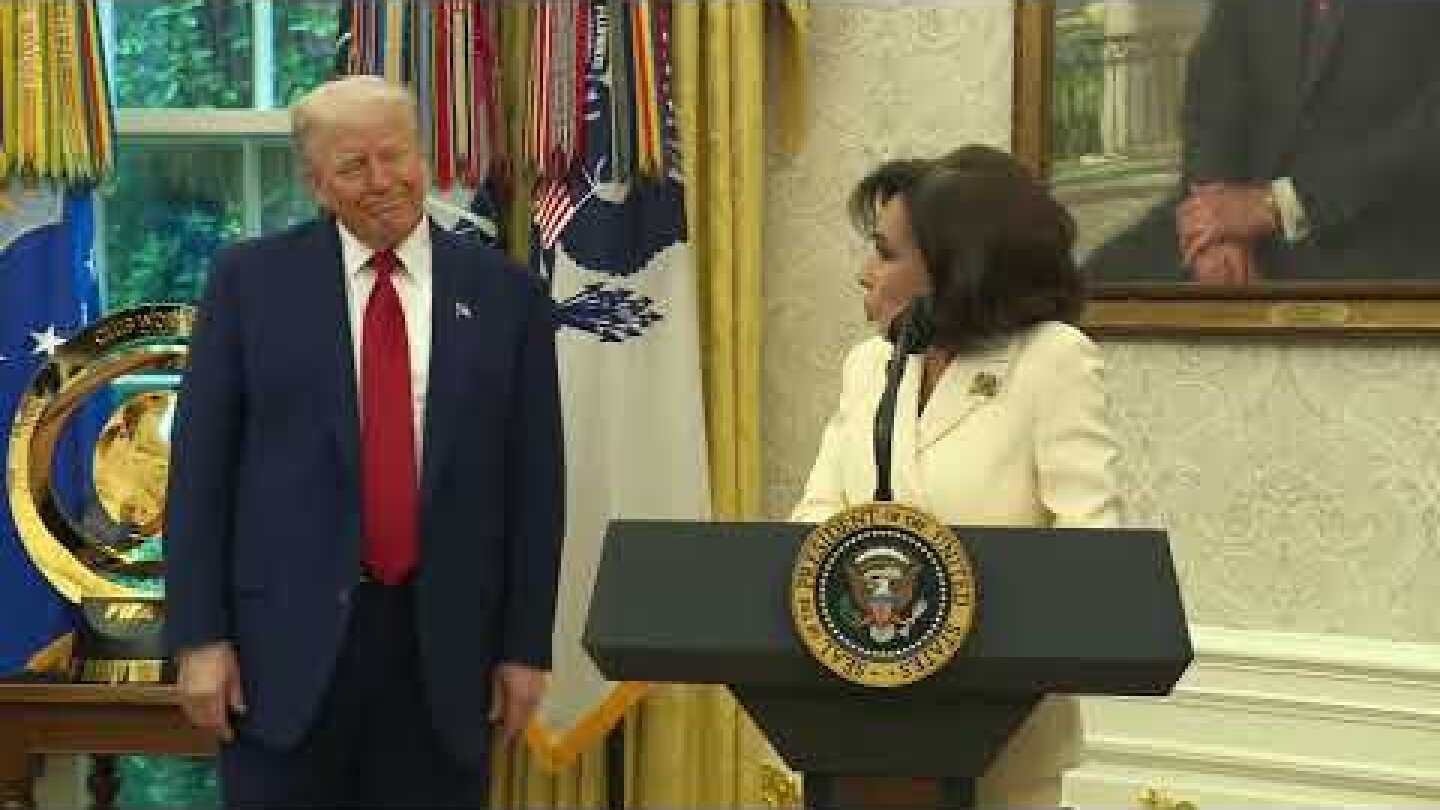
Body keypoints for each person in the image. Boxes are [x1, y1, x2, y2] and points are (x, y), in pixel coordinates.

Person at [164, 76, 564, 808]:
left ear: (422, 156)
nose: (382, 181)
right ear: (316, 184)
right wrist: (199, 639)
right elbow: (199, 477)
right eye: (353, 166)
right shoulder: (248, 283)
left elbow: (537, 489)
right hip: (279, 656)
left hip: (446, 658)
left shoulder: (508, 295)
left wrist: (525, 647)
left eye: (395, 155)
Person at [793, 145, 1120, 806]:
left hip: (999, 734)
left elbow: (1091, 549)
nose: (864, 274)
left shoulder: (1051, 359)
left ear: (955, 265)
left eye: (885, 253)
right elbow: (813, 523)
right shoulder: (868, 366)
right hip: (853, 723)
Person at [1088, 0, 1440, 283]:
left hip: (1377, 222)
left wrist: (1282, 205)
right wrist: (1214, 230)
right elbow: (1212, 99)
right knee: (1091, 289)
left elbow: (1425, 137)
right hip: (1238, 217)